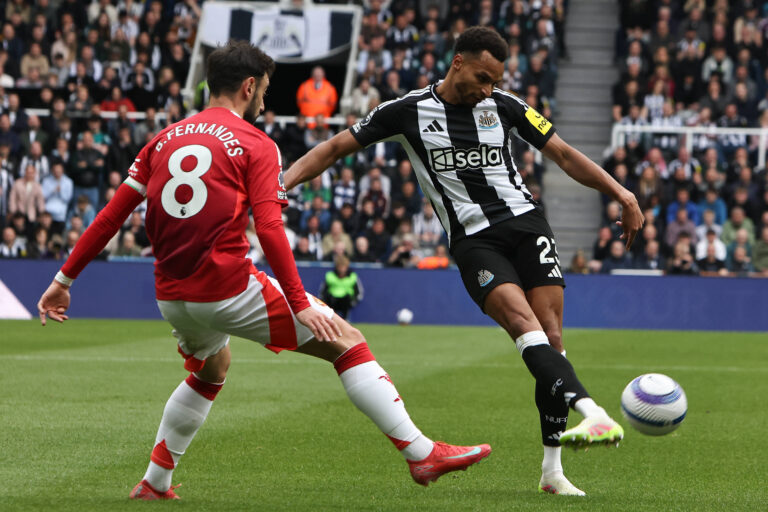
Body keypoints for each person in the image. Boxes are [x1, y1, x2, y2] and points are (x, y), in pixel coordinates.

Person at [36, 41, 490, 501]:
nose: (265, 102)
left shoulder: (163, 139)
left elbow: (110, 216)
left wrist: (62, 282)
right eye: (265, 91)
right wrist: (298, 302)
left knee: (213, 366)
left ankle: (155, 483)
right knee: (346, 341)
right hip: (227, 288)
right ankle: (421, 453)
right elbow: (270, 227)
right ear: (249, 86)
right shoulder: (256, 144)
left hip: (171, 297)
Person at [284, 26, 644, 496]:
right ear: (458, 63)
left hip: (527, 225)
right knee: (523, 324)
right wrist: (281, 184)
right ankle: (592, 412)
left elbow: (563, 153)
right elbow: (334, 147)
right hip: (474, 240)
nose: (487, 89)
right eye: (481, 77)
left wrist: (621, 192)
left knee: (552, 337)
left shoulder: (507, 106)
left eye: (495, 80)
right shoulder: (407, 111)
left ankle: (552, 472)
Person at [319, 254, 363, 319]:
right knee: (331, 299)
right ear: (337, 267)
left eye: (344, 267)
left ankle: (345, 320)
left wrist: (354, 302)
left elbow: (359, 292)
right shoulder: (330, 275)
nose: (342, 269)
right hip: (332, 301)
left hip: (346, 302)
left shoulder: (352, 276)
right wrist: (324, 302)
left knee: (346, 299)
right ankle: (331, 319)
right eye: (340, 266)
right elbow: (323, 291)